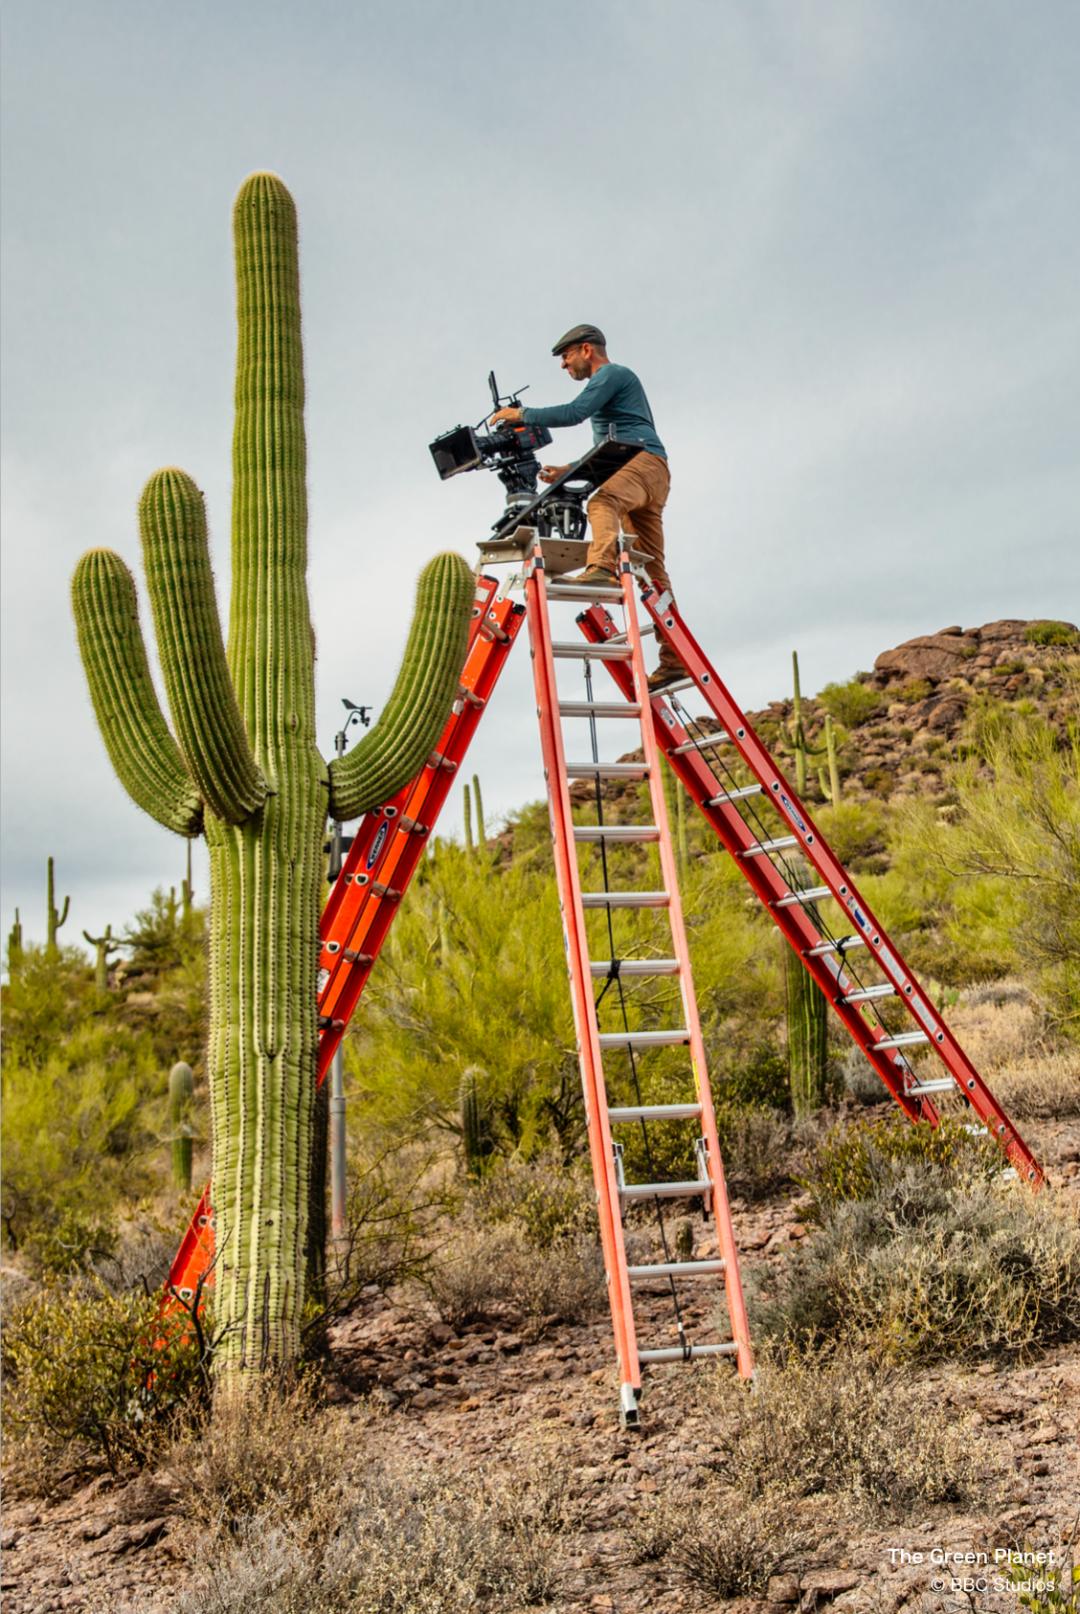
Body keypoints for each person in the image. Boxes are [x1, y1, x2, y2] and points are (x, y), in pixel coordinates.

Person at [488, 323, 686, 691]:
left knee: (603, 501)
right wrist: (569, 470)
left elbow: (574, 412)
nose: (564, 366)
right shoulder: (613, 390)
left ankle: (601, 568)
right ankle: (676, 661)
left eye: (565, 357)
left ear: (585, 350)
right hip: (642, 469)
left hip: (642, 464)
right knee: (654, 572)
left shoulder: (612, 374)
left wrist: (521, 415)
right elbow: (607, 447)